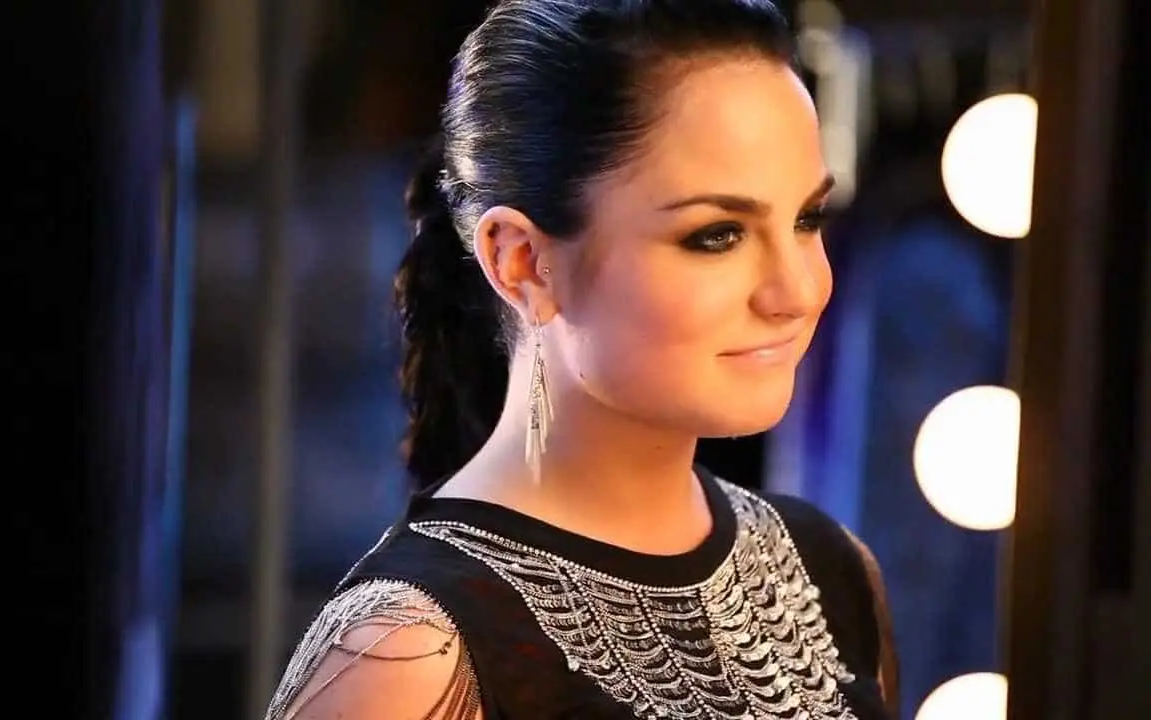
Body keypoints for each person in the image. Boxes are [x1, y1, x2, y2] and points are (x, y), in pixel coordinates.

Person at [266, 0, 898, 717]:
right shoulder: (407, 653)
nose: (799, 290)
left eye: (808, 219)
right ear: (522, 262)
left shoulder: (828, 573)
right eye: (717, 235)